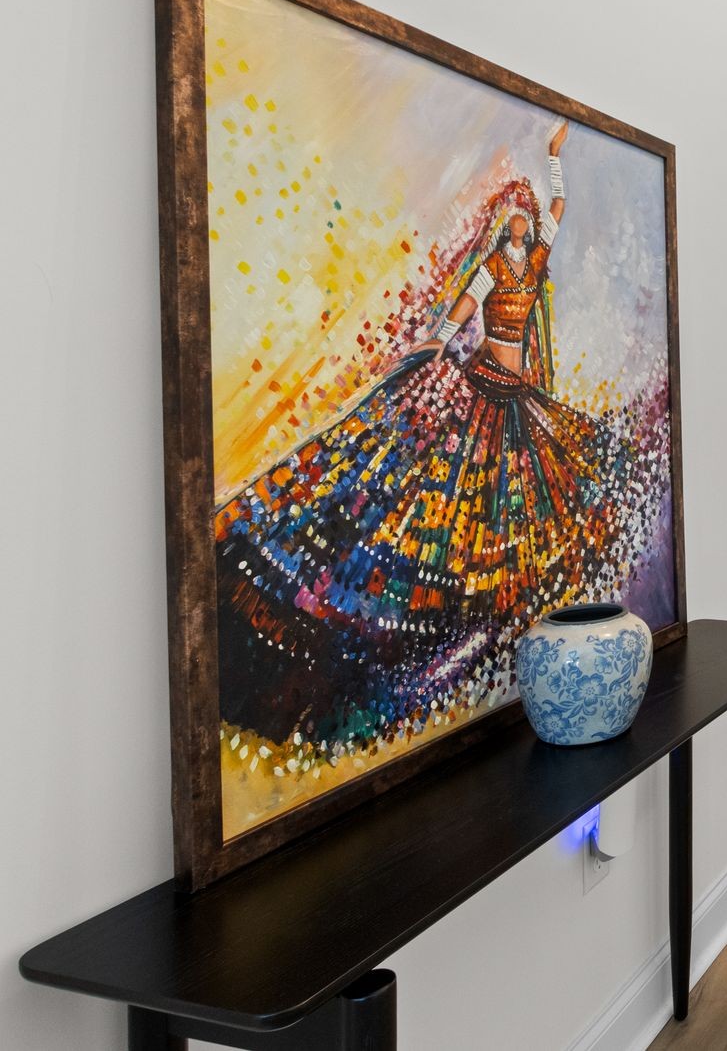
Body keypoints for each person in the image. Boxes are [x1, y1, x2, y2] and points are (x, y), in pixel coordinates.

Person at [213, 120, 638, 766]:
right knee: (460, 492)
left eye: (528, 218)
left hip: (519, 391)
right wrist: (438, 339)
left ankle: (507, 602)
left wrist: (554, 162)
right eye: (517, 217)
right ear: (504, 227)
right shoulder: (495, 267)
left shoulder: (536, 261)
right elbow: (466, 307)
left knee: (526, 491)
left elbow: (560, 208)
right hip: (486, 384)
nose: (525, 223)